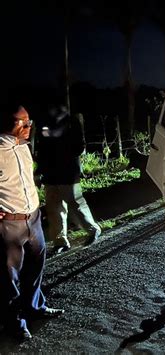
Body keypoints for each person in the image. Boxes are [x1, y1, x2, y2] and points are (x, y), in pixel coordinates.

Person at [0, 102, 65, 342]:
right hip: (10, 225)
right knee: (10, 278)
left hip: (34, 219)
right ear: (8, 123)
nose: (29, 126)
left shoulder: (25, 146)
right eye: (23, 122)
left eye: (30, 121)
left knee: (36, 268)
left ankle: (35, 307)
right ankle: (14, 323)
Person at [36, 105, 101, 254]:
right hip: (51, 174)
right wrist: (40, 171)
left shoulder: (71, 124)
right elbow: (42, 148)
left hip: (68, 172)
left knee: (76, 203)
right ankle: (60, 241)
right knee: (54, 209)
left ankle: (93, 229)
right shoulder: (46, 126)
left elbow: (79, 147)